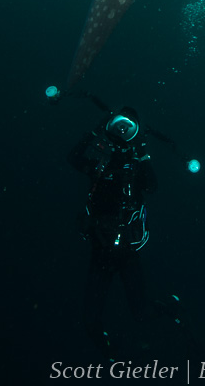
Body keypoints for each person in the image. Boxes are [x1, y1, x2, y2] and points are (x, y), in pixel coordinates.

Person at [67, 106, 157, 357]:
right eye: (117, 124)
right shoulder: (100, 165)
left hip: (126, 250)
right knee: (90, 320)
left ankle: (171, 308)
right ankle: (114, 357)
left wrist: (142, 154)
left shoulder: (136, 167)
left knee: (141, 313)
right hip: (100, 248)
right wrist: (94, 131)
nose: (121, 129)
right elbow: (73, 158)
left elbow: (152, 186)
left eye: (128, 126)